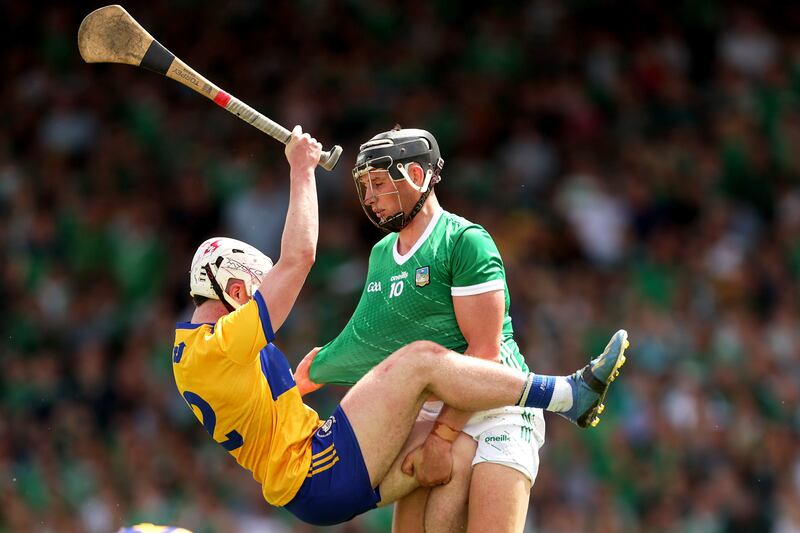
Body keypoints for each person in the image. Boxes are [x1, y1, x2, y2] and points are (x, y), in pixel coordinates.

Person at [172, 126, 631, 526]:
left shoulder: (193, 352)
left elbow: (387, 342)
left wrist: (317, 371)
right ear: (234, 291)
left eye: (377, 183)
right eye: (255, 288)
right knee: (418, 360)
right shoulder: (224, 343)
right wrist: (301, 168)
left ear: (417, 176)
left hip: (476, 415)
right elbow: (298, 260)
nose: (369, 197)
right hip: (313, 465)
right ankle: (569, 394)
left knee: (442, 473)